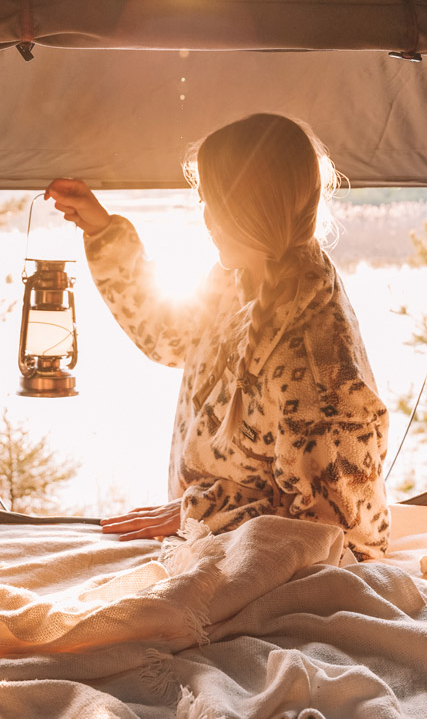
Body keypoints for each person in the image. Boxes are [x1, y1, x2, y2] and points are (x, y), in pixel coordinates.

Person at [44, 113, 390, 555]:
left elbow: (340, 540)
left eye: (211, 201)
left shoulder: (316, 366)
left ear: (248, 209)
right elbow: (169, 335)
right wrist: (102, 230)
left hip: (249, 567)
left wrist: (202, 511)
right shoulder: (239, 277)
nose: (204, 217)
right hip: (208, 546)